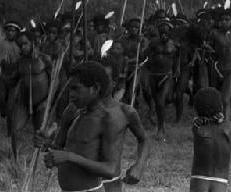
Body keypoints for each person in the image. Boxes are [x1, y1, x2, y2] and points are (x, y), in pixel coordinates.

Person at [35, 61, 150, 192]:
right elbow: (60, 147)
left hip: (107, 184)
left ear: (112, 82)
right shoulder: (73, 110)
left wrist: (139, 166)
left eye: (76, 89)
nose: (71, 95)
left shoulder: (119, 114)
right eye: (70, 89)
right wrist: (46, 144)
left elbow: (110, 168)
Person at [9, 31, 52, 159]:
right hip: (24, 102)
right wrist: (5, 67)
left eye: (25, 44)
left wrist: (47, 102)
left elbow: (55, 81)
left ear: (32, 42)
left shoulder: (45, 59)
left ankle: (37, 162)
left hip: (41, 102)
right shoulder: (19, 61)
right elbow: (12, 80)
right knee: (14, 129)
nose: (22, 47)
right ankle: (15, 160)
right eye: (20, 45)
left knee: (39, 134)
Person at [190, 87, 231, 192]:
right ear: (220, 107)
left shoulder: (197, 129)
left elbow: (196, 123)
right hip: (220, 180)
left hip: (198, 178)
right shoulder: (227, 127)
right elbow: (224, 122)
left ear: (196, 109)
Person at [145, 17, 179, 140]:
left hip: (167, 75)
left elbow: (177, 57)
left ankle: (160, 128)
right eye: (161, 29)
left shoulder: (174, 44)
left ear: (170, 30)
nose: (163, 31)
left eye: (166, 29)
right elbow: (146, 56)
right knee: (158, 102)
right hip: (154, 75)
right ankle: (160, 124)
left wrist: (177, 69)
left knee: (160, 101)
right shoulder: (153, 42)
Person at [208, 8, 231, 120]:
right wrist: (208, 48)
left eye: (227, 19)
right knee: (216, 99)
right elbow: (209, 46)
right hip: (217, 69)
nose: (224, 22)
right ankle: (218, 119)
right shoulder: (214, 34)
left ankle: (226, 123)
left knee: (226, 99)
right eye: (222, 19)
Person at [0, 20, 21, 121]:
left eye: (13, 30)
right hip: (2, 75)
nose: (10, 32)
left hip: (15, 77)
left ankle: (11, 117)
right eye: (8, 30)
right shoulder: (1, 44)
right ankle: (3, 113)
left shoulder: (20, 45)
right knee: (1, 98)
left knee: (11, 100)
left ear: (17, 32)